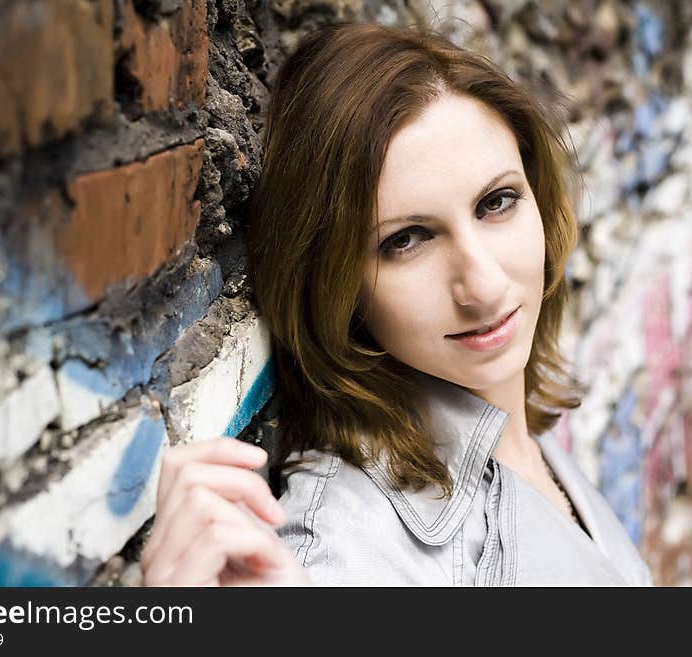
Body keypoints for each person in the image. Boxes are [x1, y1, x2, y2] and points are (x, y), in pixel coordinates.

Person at [140, 21, 654, 586]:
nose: (481, 286)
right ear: (334, 280)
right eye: (405, 240)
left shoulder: (522, 436)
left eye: (497, 202)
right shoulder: (347, 547)